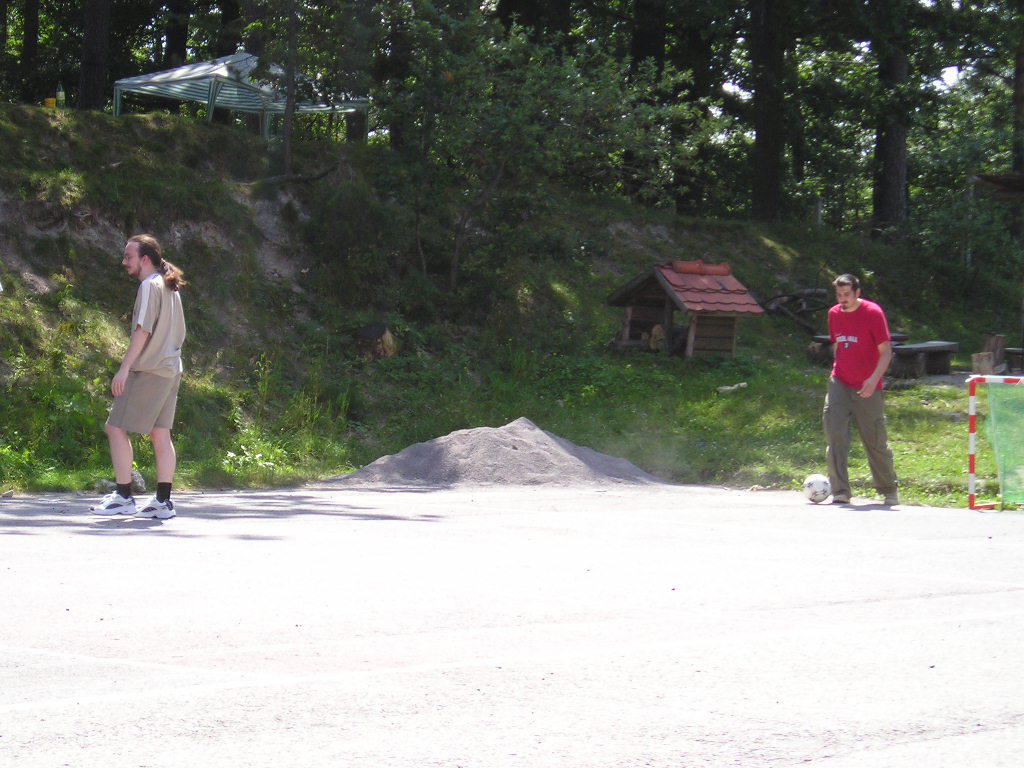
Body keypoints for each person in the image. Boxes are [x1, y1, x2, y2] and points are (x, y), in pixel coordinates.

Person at [92, 235, 186, 519]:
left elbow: (142, 331)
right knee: (160, 433)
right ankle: (163, 502)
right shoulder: (169, 285)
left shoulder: (149, 285)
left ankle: (123, 496)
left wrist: (124, 369)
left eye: (128, 257)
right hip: (171, 368)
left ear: (145, 259)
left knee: (115, 427)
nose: (124, 262)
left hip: (150, 370)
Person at [823, 273, 899, 506]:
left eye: (847, 294)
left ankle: (888, 489)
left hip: (868, 384)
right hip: (840, 380)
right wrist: (837, 371)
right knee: (835, 433)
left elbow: (885, 352)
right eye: (839, 295)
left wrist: (873, 380)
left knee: (874, 438)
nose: (842, 299)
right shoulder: (834, 314)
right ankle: (840, 491)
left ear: (857, 292)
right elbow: (838, 346)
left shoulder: (873, 313)